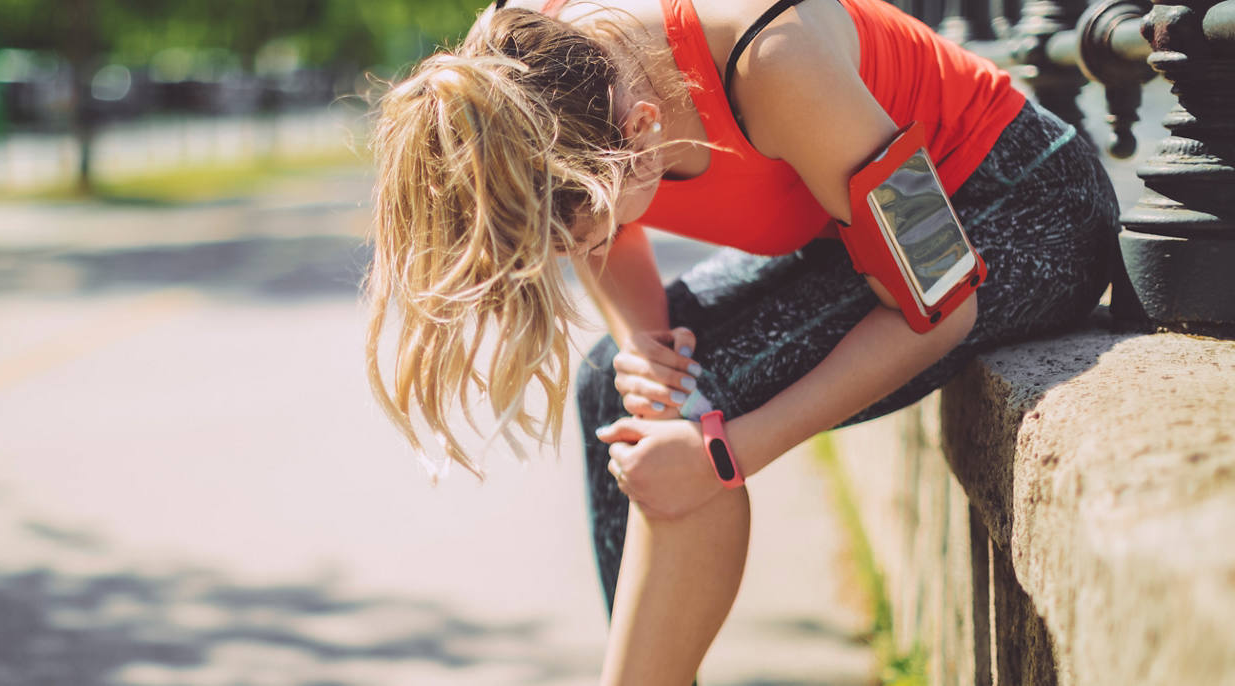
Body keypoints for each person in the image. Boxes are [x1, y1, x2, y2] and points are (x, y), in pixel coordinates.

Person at [362, 0, 1118, 682]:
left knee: (693, 414)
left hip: (1018, 210)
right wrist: (643, 346)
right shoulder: (518, 63)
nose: (577, 256)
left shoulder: (777, 63)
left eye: (582, 231)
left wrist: (724, 454)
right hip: (858, 239)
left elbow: (944, 304)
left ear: (642, 128)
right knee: (615, 384)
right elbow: (603, 228)